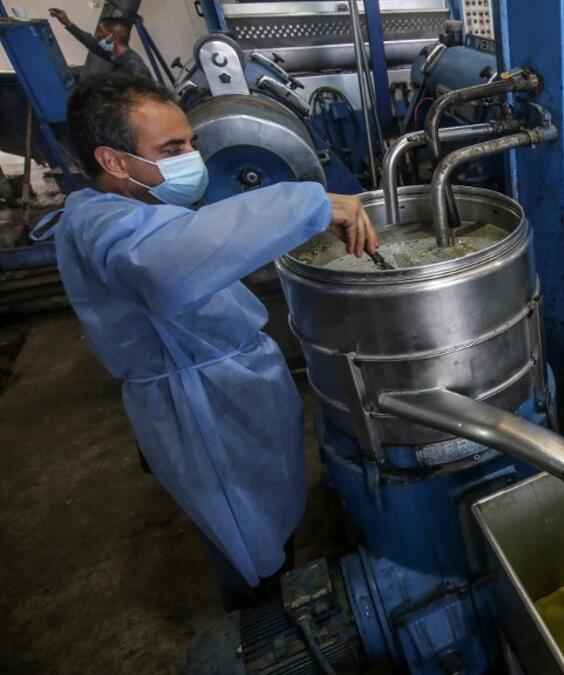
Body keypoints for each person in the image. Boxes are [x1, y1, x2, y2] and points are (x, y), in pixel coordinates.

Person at [46, 72, 378, 609]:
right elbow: (167, 263)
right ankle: (265, 629)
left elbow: (202, 240)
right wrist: (313, 205)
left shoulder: (141, 207)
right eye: (173, 148)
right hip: (202, 412)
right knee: (245, 538)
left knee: (269, 516)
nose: (192, 158)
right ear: (114, 161)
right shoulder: (103, 228)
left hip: (228, 387)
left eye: (193, 143)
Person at [49, 9, 153, 81]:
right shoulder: (116, 55)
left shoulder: (133, 64)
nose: (98, 36)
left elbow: (148, 97)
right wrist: (68, 23)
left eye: (101, 34)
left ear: (114, 38)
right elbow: (90, 42)